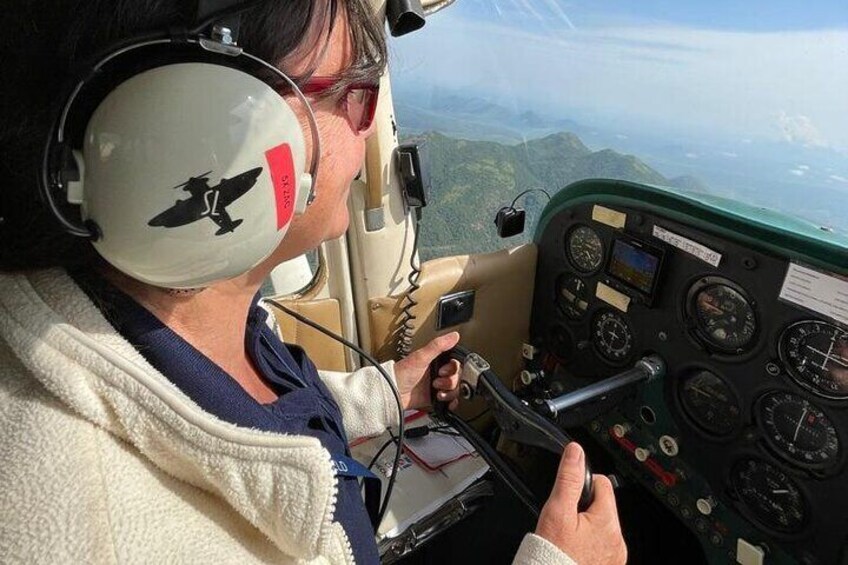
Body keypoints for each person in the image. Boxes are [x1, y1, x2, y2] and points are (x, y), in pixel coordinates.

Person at [0, 1, 627, 563]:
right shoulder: (84, 527)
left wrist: (383, 395)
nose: (371, 127)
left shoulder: (211, 316)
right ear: (203, 133)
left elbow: (261, 418)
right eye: (356, 94)